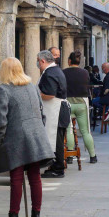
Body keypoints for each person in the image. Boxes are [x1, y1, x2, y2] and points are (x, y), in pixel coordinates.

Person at [0, 57, 53, 217]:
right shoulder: (33, 86)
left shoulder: (3, 90)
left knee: (16, 178)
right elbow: (42, 114)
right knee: (35, 177)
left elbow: (0, 121)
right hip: (36, 135)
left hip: (16, 137)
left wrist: (0, 142)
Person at [37, 50, 69, 178]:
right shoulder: (55, 70)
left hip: (56, 111)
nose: (37, 64)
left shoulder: (50, 73)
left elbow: (50, 94)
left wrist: (37, 95)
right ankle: (54, 166)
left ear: (42, 61)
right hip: (58, 109)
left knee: (56, 141)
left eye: (38, 61)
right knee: (56, 140)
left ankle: (58, 168)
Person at [63, 51, 97, 163]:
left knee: (69, 130)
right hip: (82, 102)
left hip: (68, 102)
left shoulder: (64, 72)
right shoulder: (85, 72)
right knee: (85, 131)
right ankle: (93, 156)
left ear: (69, 61)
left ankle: (70, 155)